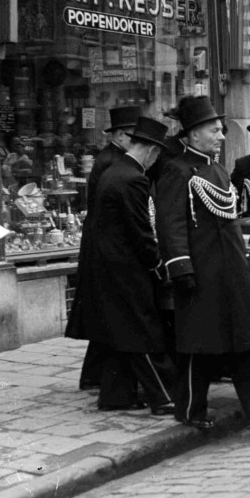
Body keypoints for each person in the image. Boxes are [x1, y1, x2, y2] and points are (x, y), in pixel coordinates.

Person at [156, 96, 250, 430]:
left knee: (247, 339)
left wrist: (244, 263)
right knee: (199, 345)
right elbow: (170, 225)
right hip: (200, 272)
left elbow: (230, 222)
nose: (221, 135)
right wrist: (181, 268)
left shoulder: (217, 169)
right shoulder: (176, 171)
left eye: (220, 130)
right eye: (214, 130)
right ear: (193, 134)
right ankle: (189, 411)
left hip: (231, 271)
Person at [79, 117, 176, 416]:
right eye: (157, 154)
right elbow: (140, 231)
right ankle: (162, 398)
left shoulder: (114, 171)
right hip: (126, 268)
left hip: (109, 266)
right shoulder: (134, 178)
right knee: (142, 332)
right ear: (149, 151)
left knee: (120, 333)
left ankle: (115, 396)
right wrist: (157, 264)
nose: (157, 159)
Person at [66, 105, 141, 392]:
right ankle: (98, 377)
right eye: (134, 136)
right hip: (105, 244)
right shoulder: (112, 162)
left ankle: (93, 376)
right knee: (107, 314)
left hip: (99, 242)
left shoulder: (112, 157)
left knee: (103, 316)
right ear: (121, 135)